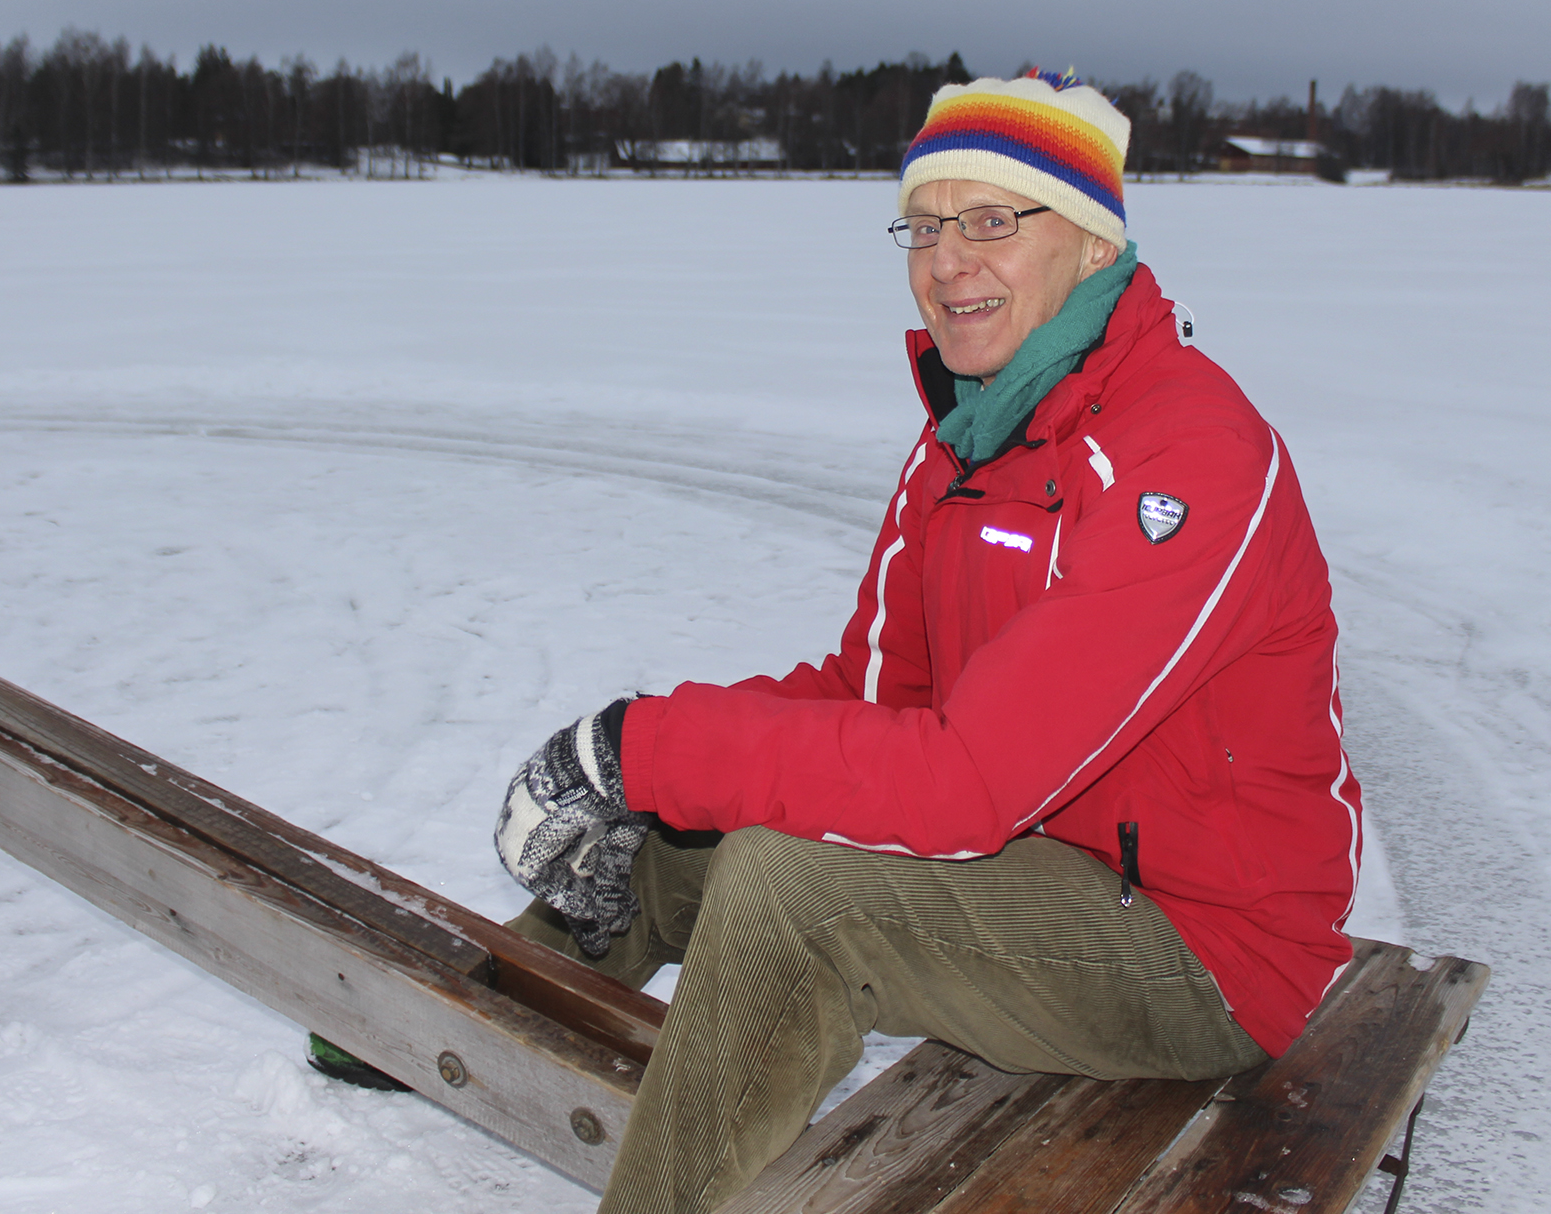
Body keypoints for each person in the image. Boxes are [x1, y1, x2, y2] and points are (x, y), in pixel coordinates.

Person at [495, 71, 1363, 1214]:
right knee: (680, 830)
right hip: (1038, 862)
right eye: (926, 224)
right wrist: (639, 774)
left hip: (1203, 948)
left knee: (789, 891)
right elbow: (867, 697)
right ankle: (452, 1009)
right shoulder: (967, 438)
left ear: (1094, 247)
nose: (947, 260)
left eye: (994, 221)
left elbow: (965, 779)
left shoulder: (1188, 457)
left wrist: (646, 747)